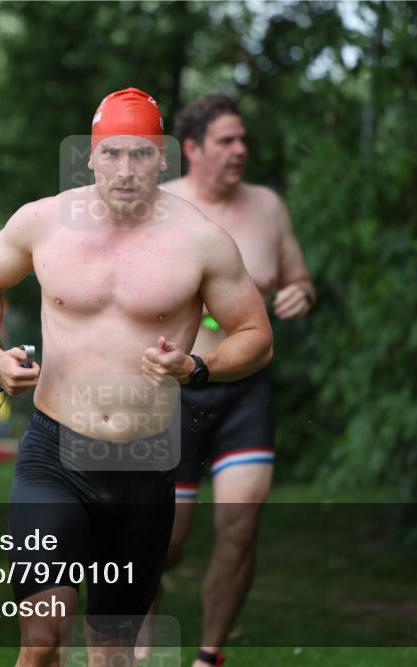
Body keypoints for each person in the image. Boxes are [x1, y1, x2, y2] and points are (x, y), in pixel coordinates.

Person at [0, 87, 273, 667]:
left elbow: (256, 337)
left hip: (144, 465)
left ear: (162, 159)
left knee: (112, 652)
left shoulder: (200, 241)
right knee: (42, 638)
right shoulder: (43, 222)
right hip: (55, 455)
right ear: (90, 156)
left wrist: (198, 366)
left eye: (140, 154)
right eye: (112, 154)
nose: (125, 170)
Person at [140, 93, 316, 667]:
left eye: (243, 140)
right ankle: (141, 629)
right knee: (164, 545)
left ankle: (209, 657)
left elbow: (297, 278)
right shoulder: (160, 206)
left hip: (245, 388)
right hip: (175, 393)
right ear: (192, 148)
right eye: (226, 141)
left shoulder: (268, 206)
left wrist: (299, 294)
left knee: (240, 528)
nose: (240, 150)